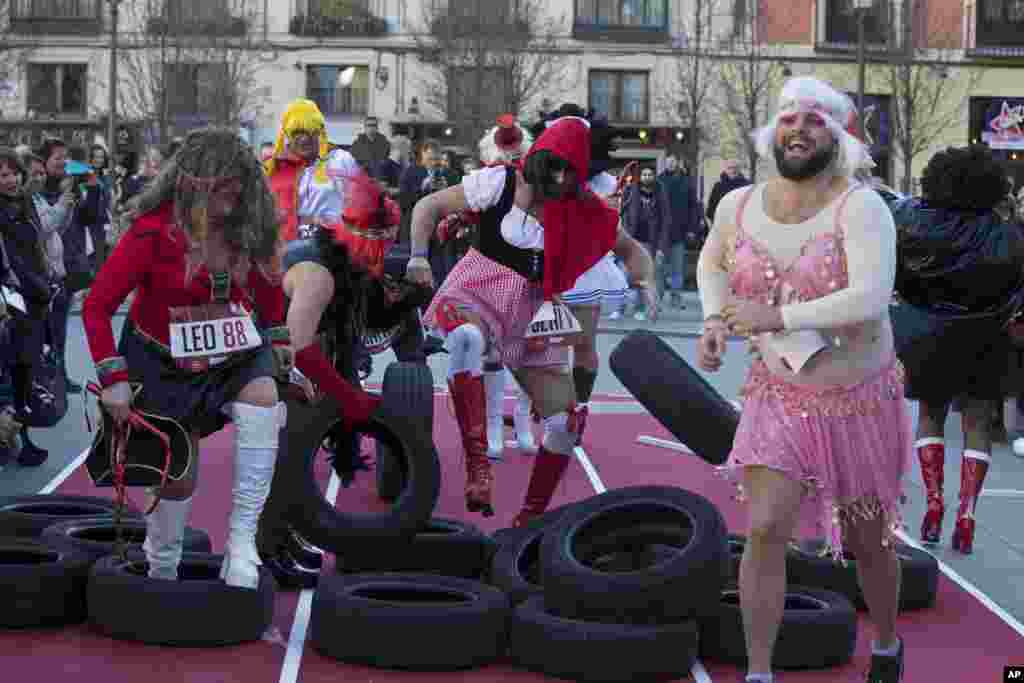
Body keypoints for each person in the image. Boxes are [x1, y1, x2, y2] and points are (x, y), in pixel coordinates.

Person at [697, 76, 909, 683]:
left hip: (857, 400)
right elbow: (713, 261)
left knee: (869, 540)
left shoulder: (861, 207)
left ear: (836, 137)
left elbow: (869, 298)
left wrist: (777, 316)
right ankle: (759, 672)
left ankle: (889, 642)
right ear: (774, 132)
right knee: (765, 528)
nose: (800, 130)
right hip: (778, 396)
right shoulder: (737, 203)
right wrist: (714, 318)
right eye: (790, 119)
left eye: (815, 121)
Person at [406, 117, 654, 524]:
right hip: (478, 290)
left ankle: (528, 518)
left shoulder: (581, 208)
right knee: (466, 339)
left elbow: (631, 249)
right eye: (553, 166)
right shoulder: (498, 182)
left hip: (532, 309)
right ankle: (478, 468)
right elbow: (427, 206)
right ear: (540, 156)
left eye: (568, 172)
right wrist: (417, 256)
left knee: (565, 423)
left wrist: (645, 279)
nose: (557, 179)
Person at [82, 128, 290, 590]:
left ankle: (242, 542)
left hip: (234, 354)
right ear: (193, 182)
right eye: (222, 186)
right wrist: (113, 377)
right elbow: (96, 305)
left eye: (239, 184)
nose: (232, 196)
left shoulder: (249, 227)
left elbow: (269, 290)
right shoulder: (151, 231)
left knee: (263, 396)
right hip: (159, 362)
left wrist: (279, 343)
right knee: (177, 479)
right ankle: (161, 568)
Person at [256, 172, 432, 588]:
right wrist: (344, 393)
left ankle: (284, 534)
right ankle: (265, 547)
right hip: (265, 353)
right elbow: (297, 344)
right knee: (288, 446)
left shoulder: (352, 264)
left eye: (388, 239)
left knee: (298, 442)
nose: (382, 250)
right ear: (351, 232)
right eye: (376, 239)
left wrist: (407, 300)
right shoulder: (319, 272)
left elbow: (365, 323)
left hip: (289, 354)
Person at [884, 145, 1024, 554]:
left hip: (927, 334)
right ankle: (968, 512)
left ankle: (933, 503)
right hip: (985, 335)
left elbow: (896, 274)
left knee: (930, 417)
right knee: (976, 424)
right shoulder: (1007, 235)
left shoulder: (911, 222)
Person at [531, 104, 643, 446]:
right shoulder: (542, 177)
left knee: (582, 343)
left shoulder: (605, 184)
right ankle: (555, 408)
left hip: (586, 268)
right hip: (547, 263)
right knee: (548, 344)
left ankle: (577, 408)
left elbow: (613, 230)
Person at [0, 149, 57, 466]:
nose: (10, 180)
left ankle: (23, 439)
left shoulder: (25, 205)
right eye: (3, 175)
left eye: (12, 173)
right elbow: (11, 259)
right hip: (10, 299)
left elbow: (37, 248)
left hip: (32, 298)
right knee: (8, 372)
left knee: (24, 372)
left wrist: (45, 279)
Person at [264, 98, 362, 244]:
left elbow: (361, 207)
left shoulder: (341, 160)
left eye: (310, 131)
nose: (304, 139)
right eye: (297, 132)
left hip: (333, 249)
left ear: (320, 132)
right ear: (287, 135)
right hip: (286, 253)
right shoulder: (273, 168)